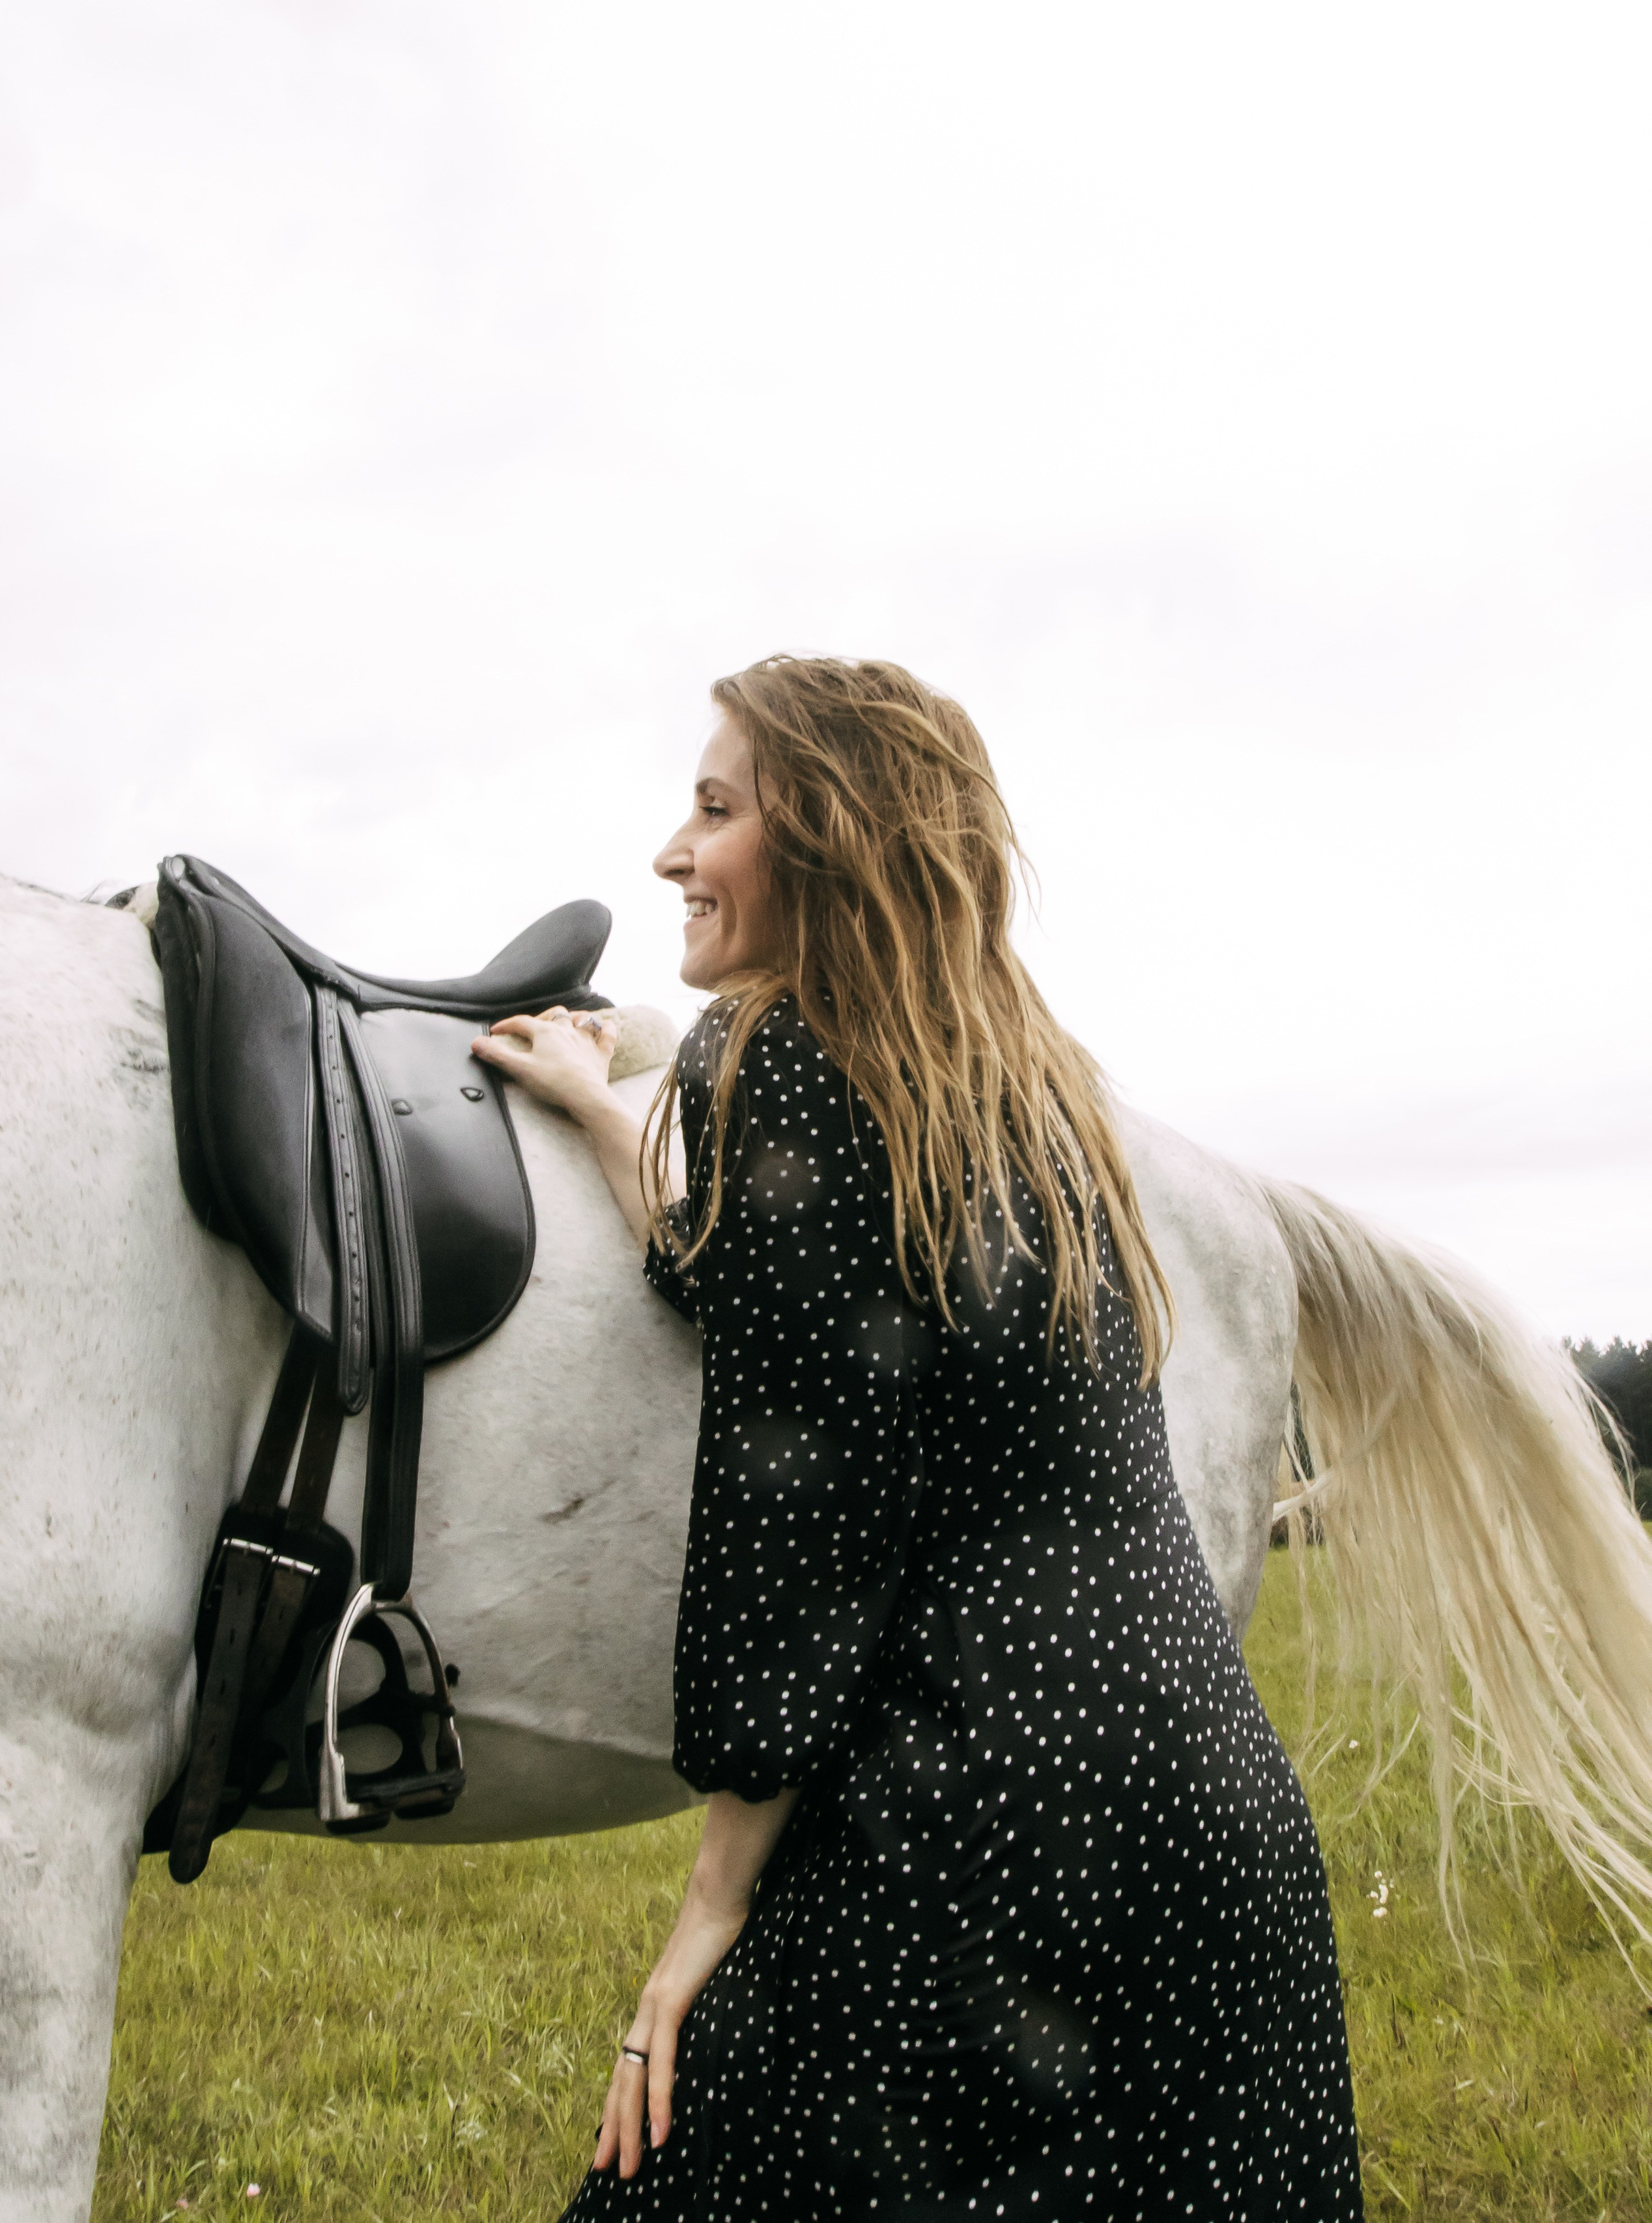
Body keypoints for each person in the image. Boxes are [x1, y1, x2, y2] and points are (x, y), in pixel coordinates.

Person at [472, 657, 1362, 2220]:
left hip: (992, 1831)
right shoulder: (1020, 1090)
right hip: (1214, 1831)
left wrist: (705, 1911)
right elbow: (762, 1286)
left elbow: (791, 1523)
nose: (670, 856)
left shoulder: (786, 1058)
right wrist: (607, 1116)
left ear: (817, 832)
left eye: (712, 808)